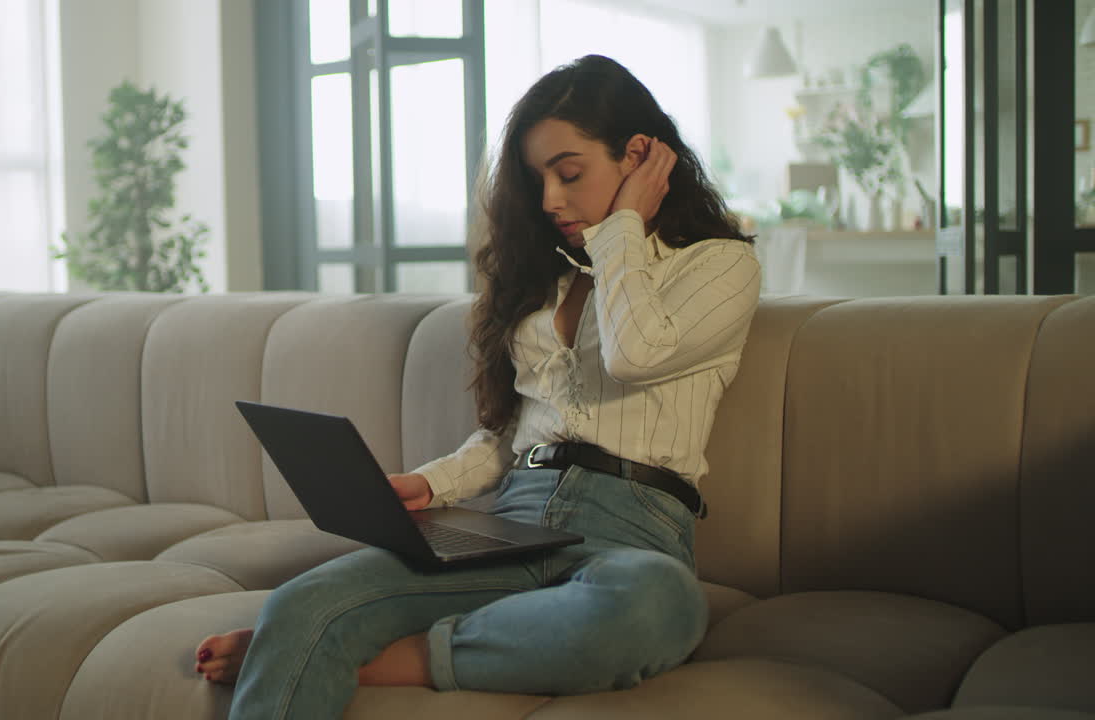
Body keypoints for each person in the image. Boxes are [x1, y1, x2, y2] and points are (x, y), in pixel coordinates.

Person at [194, 54, 761, 719]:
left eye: (569, 173)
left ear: (639, 156)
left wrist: (622, 229)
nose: (550, 199)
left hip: (631, 533)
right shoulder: (546, 279)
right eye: (538, 178)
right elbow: (520, 438)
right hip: (510, 521)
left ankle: (392, 659)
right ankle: (320, 638)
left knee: (659, 607)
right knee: (300, 604)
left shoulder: (721, 264)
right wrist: (432, 484)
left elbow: (636, 355)